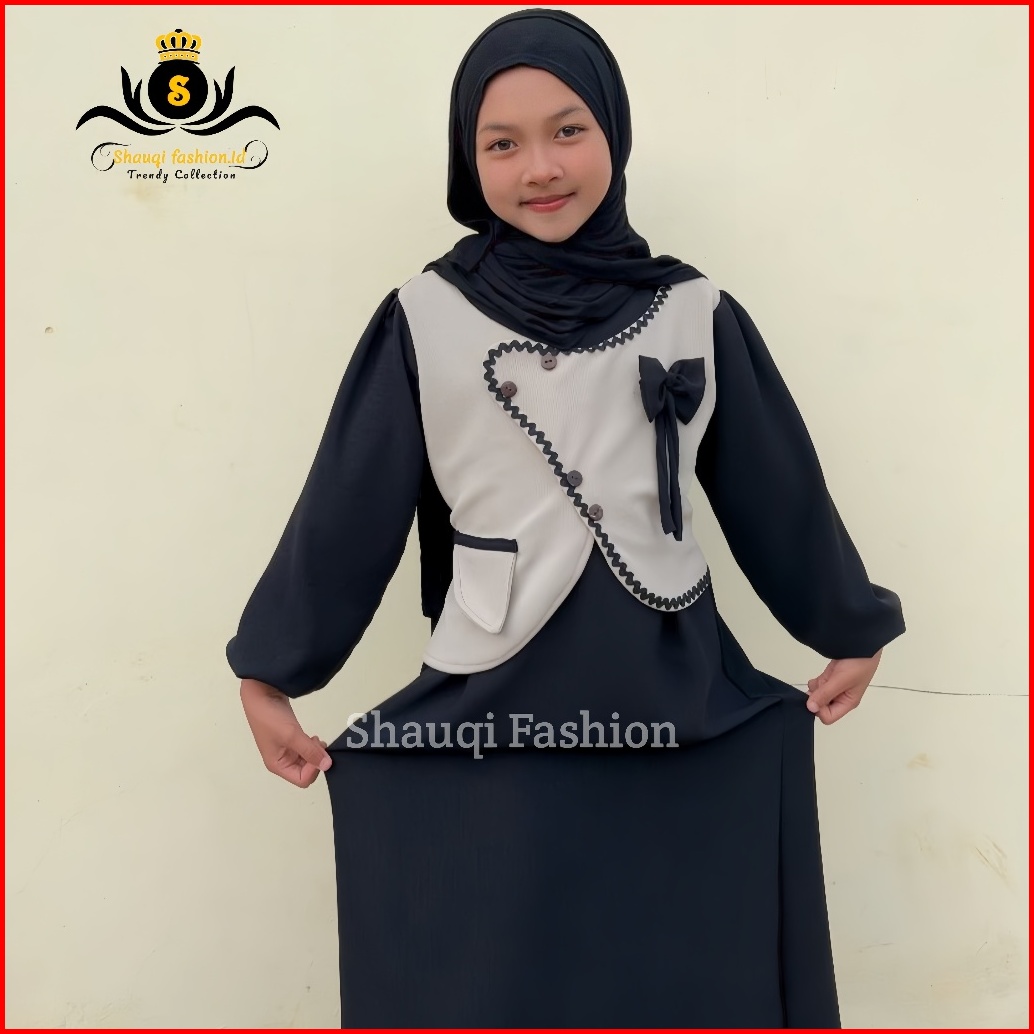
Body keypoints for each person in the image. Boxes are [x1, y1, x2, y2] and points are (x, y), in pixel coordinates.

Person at [227, 8, 905, 1028]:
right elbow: (348, 503)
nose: (539, 168)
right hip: (496, 694)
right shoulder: (423, 315)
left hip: (674, 686)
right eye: (501, 144)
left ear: (614, 133)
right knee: (500, 958)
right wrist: (272, 667)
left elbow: (775, 486)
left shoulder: (694, 309)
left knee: (675, 957)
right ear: (468, 161)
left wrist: (846, 622)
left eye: (567, 130)